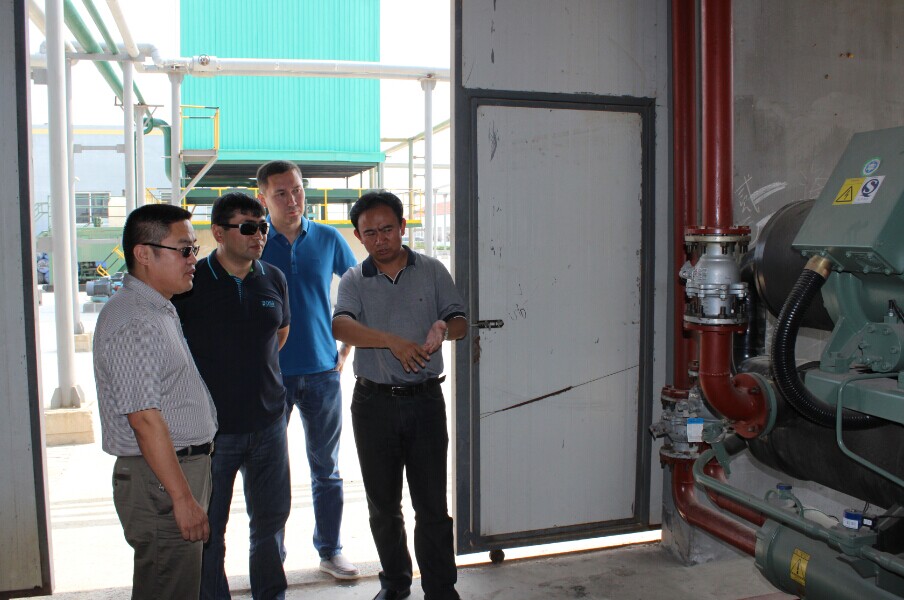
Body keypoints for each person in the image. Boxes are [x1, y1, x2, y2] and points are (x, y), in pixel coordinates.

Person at [332, 191, 467, 600]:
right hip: (373, 405)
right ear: (359, 236)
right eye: (369, 233)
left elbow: (460, 321)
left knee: (432, 506)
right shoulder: (355, 279)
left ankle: (441, 589)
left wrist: (443, 327)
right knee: (383, 506)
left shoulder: (432, 270)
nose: (380, 239)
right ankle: (395, 583)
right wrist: (390, 340)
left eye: (387, 229)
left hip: (424, 402)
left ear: (403, 227)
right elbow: (341, 326)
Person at [94, 203, 217, 599]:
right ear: (143, 254)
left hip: (173, 472)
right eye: (184, 249)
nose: (193, 259)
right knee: (168, 587)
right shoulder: (135, 319)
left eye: (194, 249)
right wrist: (182, 498)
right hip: (162, 480)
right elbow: (144, 419)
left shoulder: (157, 307)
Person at [172, 193, 292, 600]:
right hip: (213, 434)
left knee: (270, 523)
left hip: (270, 425)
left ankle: (271, 594)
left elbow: (279, 332)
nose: (259, 235)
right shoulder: (192, 284)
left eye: (263, 227)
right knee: (210, 530)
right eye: (248, 227)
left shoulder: (273, 277)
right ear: (219, 233)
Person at [257, 160, 360, 579]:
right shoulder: (255, 242)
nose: (292, 199)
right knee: (270, 472)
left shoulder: (328, 238)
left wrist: (346, 347)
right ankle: (271, 559)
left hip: (322, 373)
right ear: (263, 197)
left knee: (327, 469)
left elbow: (359, 289)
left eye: (297, 189)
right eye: (280, 193)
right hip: (270, 377)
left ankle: (331, 550)